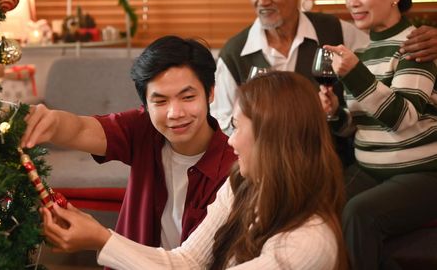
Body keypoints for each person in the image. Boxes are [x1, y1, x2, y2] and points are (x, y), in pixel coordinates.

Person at [42, 71, 348, 270]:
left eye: (238, 127)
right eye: (160, 100)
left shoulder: (308, 243)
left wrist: (101, 240)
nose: (231, 140)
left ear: (275, 140)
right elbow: (186, 262)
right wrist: (100, 237)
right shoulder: (243, 183)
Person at [21, 35, 236, 250]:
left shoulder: (234, 167)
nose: (175, 113)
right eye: (160, 101)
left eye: (188, 98)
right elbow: (82, 129)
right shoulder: (143, 128)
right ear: (146, 105)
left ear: (210, 93)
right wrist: (53, 122)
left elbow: (193, 263)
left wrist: (100, 239)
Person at [211, 0, 437, 138]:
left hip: (332, 163)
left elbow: (384, 44)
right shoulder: (234, 53)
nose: (262, 0)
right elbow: (222, 123)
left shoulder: (334, 30)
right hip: (267, 167)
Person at [318, 0, 437, 270]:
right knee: (317, 202)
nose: (353, 1)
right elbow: (356, 126)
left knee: (359, 214)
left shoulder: (417, 45)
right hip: (370, 169)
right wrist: (334, 114)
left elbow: (402, 118)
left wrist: (355, 74)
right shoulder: (362, 53)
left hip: (420, 173)